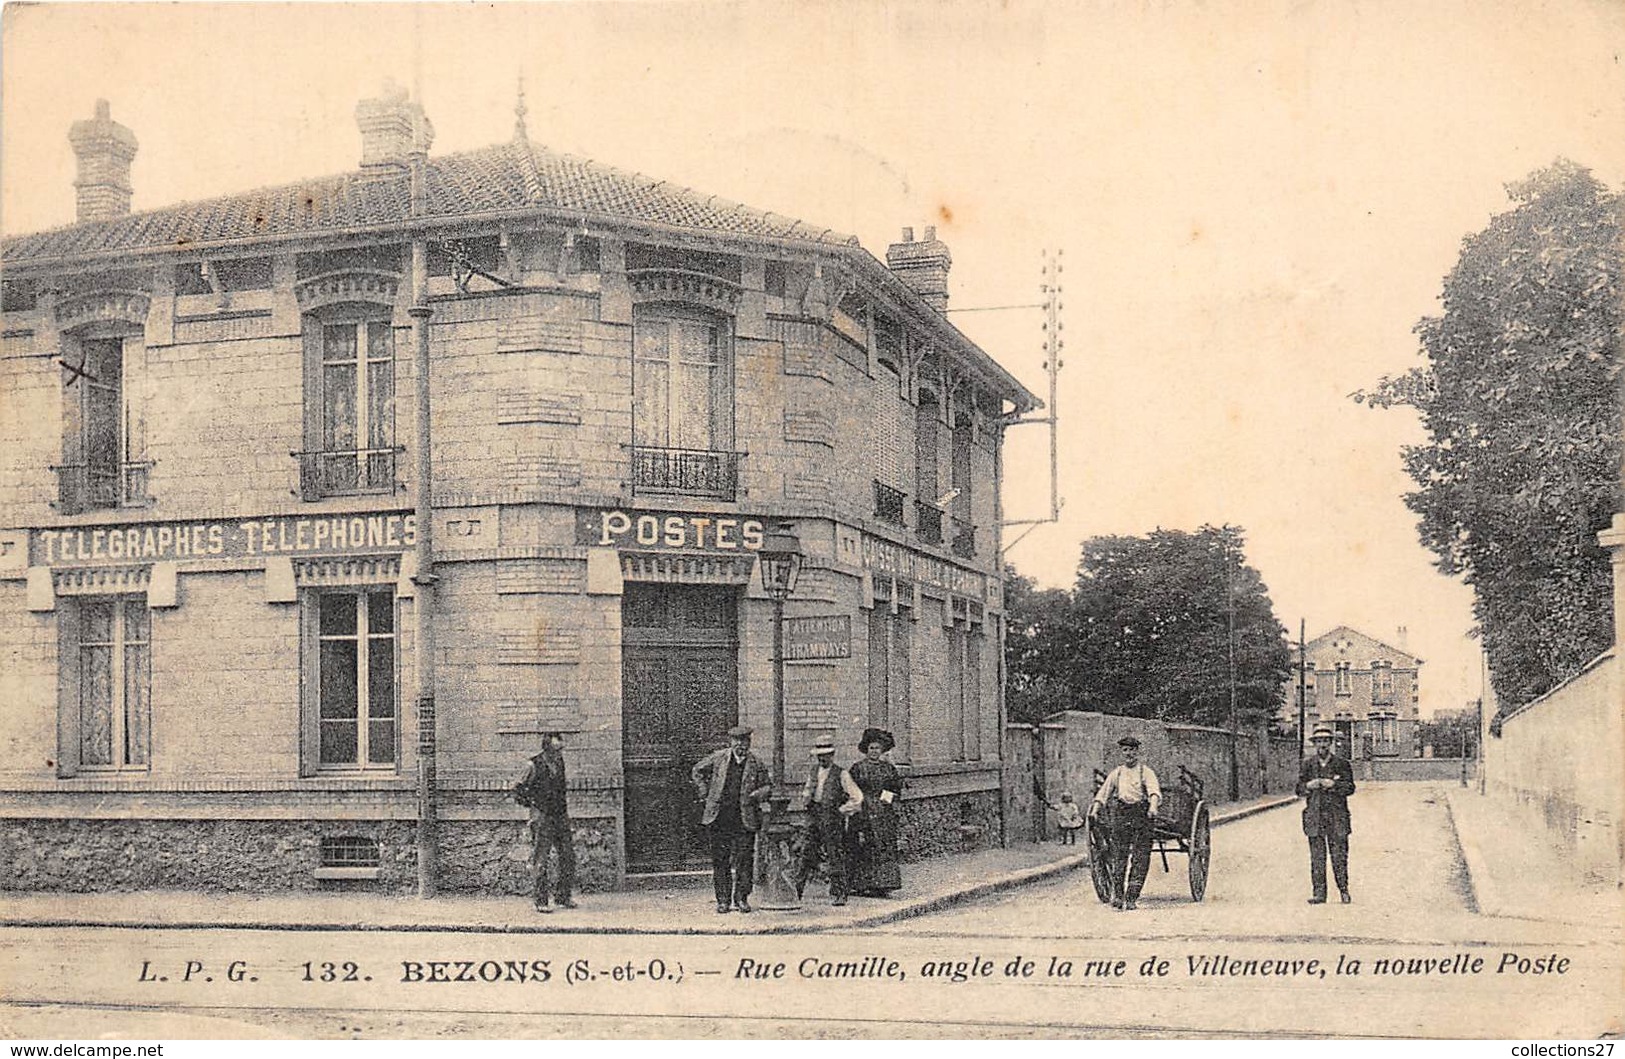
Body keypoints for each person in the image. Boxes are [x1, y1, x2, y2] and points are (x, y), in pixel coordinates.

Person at [691, 725, 772, 914]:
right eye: (737, 741)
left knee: (744, 860)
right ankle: (723, 900)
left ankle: (742, 899)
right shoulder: (719, 758)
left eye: (744, 741)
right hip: (719, 818)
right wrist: (704, 791)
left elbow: (768, 786)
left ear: (749, 743)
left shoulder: (756, 763)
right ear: (731, 742)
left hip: (745, 819)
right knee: (720, 860)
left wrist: (757, 794)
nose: (740, 745)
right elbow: (697, 770)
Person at [1089, 734, 1162, 910]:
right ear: (1122, 752)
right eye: (1125, 750)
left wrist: (1153, 807)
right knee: (1118, 855)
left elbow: (1154, 791)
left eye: (1132, 750)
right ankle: (1118, 896)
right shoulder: (1117, 772)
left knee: (1140, 856)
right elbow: (1104, 793)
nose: (1128, 754)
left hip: (1141, 815)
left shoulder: (1146, 771)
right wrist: (1094, 811)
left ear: (1137, 752)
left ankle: (1131, 897)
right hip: (1122, 814)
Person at [512, 731, 576, 913]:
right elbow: (517, 790)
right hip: (542, 818)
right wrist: (534, 806)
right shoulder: (533, 764)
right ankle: (541, 901)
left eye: (561, 749)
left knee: (568, 856)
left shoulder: (560, 763)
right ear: (547, 748)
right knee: (541, 858)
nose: (559, 753)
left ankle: (563, 897)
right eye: (556, 749)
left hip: (561, 816)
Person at [796, 738, 863, 906]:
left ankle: (839, 893)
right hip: (814, 817)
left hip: (832, 820)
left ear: (832, 755)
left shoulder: (841, 774)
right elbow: (807, 791)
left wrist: (841, 810)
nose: (822, 759)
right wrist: (806, 798)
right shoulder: (813, 772)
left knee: (834, 855)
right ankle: (796, 890)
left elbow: (857, 797)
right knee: (806, 853)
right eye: (819, 756)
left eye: (825, 756)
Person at [1299, 723, 1356, 904]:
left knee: (1339, 856)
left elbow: (1350, 788)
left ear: (1330, 743)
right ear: (1314, 744)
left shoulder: (1342, 764)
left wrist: (1335, 785)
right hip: (1315, 818)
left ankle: (1343, 890)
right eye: (1319, 741)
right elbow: (1298, 788)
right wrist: (1309, 785)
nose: (1322, 745)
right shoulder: (1308, 765)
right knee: (1317, 858)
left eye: (1325, 741)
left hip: (1337, 818)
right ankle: (1319, 894)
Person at [847, 728, 904, 896]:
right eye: (871, 748)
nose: (874, 752)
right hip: (862, 811)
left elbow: (895, 789)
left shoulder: (888, 769)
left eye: (877, 748)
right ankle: (860, 884)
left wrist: (883, 802)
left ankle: (882, 885)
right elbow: (850, 789)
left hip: (882, 814)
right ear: (866, 749)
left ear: (882, 751)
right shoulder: (857, 768)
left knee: (882, 848)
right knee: (862, 846)